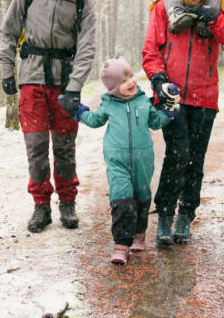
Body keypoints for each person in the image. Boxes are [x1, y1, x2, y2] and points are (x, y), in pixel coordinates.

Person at [142, 0, 224, 246]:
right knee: (177, 154)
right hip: (172, 96)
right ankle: (164, 215)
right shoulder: (164, 8)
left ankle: (185, 214)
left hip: (205, 97)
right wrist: (158, 79)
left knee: (195, 159)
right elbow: (150, 49)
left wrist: (213, 18)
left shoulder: (219, 6)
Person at [0, 0, 97, 233]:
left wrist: (75, 86)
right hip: (32, 78)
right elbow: (9, 31)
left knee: (65, 147)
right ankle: (41, 205)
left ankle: (67, 202)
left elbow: (87, 47)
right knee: (36, 146)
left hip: (65, 82)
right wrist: (6, 69)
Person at [62, 56, 177, 264]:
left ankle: (139, 234)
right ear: (114, 88)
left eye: (131, 76)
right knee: (121, 198)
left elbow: (155, 122)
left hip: (143, 159)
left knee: (142, 196)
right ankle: (121, 245)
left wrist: (168, 112)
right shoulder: (108, 105)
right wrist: (78, 111)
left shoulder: (143, 101)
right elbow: (95, 120)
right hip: (117, 160)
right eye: (124, 81)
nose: (131, 82)